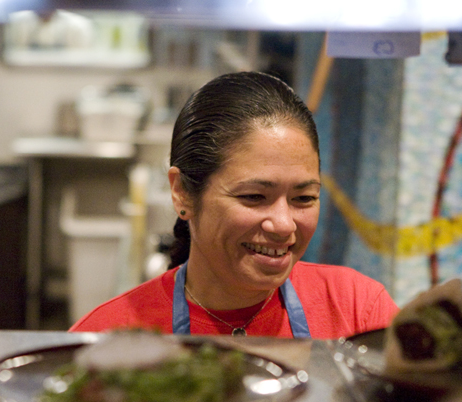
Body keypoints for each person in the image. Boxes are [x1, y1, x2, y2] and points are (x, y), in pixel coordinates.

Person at [70, 71, 398, 339]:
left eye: (303, 198)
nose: (284, 224)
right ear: (182, 192)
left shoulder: (358, 310)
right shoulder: (109, 337)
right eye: (254, 197)